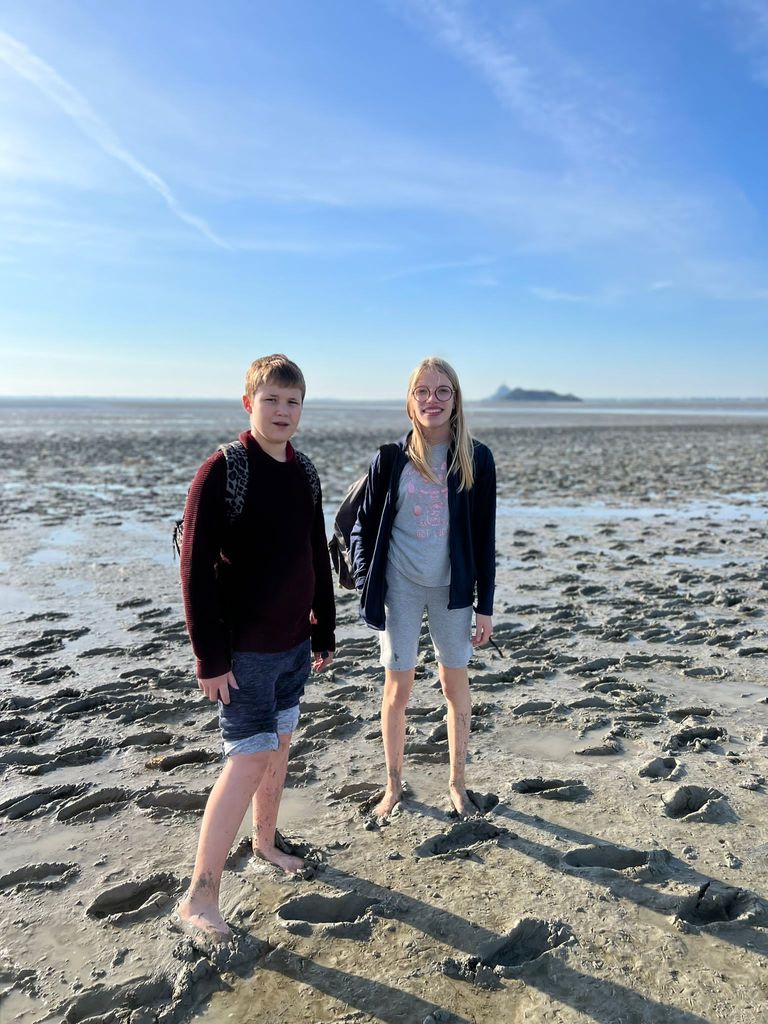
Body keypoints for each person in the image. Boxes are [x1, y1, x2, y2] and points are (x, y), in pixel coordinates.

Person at [177, 354, 335, 941]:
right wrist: (209, 657)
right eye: (271, 400)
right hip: (243, 652)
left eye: (293, 402)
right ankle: (199, 897)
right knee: (246, 761)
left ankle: (265, 843)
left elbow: (316, 553)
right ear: (249, 403)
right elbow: (194, 570)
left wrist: (324, 626)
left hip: (294, 645)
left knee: (280, 747)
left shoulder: (304, 472)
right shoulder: (224, 469)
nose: (282, 411)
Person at [350, 356, 495, 819]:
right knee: (398, 688)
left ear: (455, 400)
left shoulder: (476, 458)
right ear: (410, 401)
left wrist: (485, 606)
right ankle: (393, 785)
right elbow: (362, 527)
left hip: (453, 590)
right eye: (423, 392)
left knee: (455, 686)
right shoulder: (391, 459)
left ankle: (457, 784)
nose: (433, 400)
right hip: (401, 588)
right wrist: (366, 580)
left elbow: (485, 537)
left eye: (442, 391)